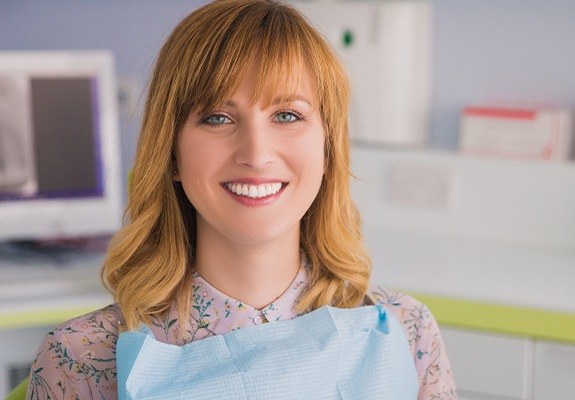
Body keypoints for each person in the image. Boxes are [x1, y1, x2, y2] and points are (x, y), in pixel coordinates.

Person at [26, 0, 457, 399]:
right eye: (217, 117)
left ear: (328, 150)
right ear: (172, 153)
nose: (255, 153)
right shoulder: (82, 360)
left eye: (287, 115)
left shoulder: (407, 331)